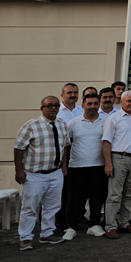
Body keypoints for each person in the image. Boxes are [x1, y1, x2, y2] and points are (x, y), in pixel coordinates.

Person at [13, 96, 71, 250]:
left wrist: (64, 166)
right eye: (49, 105)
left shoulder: (62, 125)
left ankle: (47, 233)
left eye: (56, 105)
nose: (53, 108)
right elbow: (18, 148)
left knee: (52, 206)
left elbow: (65, 147)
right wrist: (19, 170)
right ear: (42, 108)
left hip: (55, 173)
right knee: (30, 207)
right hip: (34, 174)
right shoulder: (31, 126)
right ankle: (25, 237)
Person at [101, 90, 131, 239]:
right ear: (121, 102)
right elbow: (106, 142)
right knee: (115, 194)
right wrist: (108, 164)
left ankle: (124, 222)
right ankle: (110, 226)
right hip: (119, 159)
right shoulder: (113, 119)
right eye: (129, 101)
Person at [64, 91, 107, 234]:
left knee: (97, 198)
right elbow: (66, 145)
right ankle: (71, 227)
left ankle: (94, 225)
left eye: (95, 103)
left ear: (99, 105)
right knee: (75, 199)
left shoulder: (106, 121)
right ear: (83, 105)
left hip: (99, 166)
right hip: (77, 167)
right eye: (89, 104)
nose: (92, 106)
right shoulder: (73, 123)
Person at [52, 83, 81, 234]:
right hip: (61, 157)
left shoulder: (81, 110)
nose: (72, 95)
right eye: (69, 93)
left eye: (75, 92)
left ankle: (74, 220)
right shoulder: (57, 111)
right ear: (62, 95)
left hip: (78, 157)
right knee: (60, 193)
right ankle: (58, 222)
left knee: (74, 192)